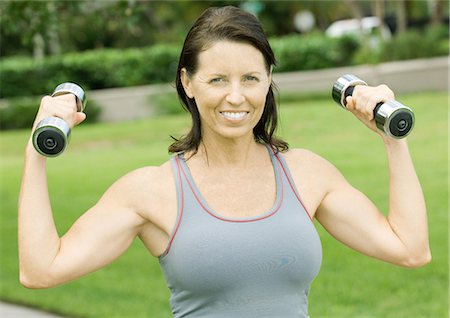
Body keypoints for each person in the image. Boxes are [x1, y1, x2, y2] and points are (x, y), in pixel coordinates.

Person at [18, 6, 431, 318]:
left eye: (250, 78)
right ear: (188, 82)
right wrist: (36, 154)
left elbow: (410, 249)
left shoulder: (307, 173)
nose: (236, 96)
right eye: (217, 80)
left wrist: (393, 140)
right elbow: (41, 271)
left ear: (268, 79)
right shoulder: (151, 191)